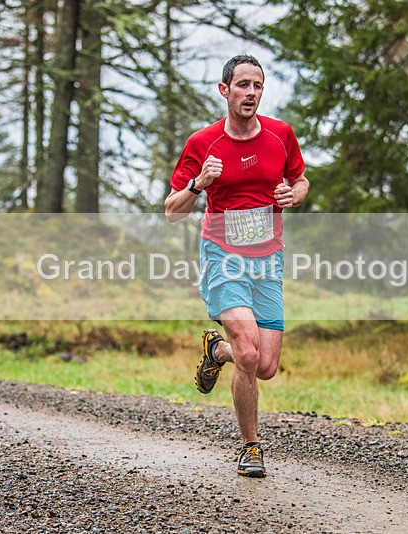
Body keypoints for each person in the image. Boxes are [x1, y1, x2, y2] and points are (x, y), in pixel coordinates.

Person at [164, 55, 309, 478]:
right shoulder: (202, 143)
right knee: (248, 350)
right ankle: (251, 447)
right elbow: (171, 211)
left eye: (257, 85)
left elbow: (300, 180)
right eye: (242, 84)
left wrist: (294, 195)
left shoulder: (281, 135)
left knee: (264, 366)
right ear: (224, 90)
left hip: (268, 260)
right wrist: (198, 184)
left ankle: (216, 351)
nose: (251, 93)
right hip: (222, 257)